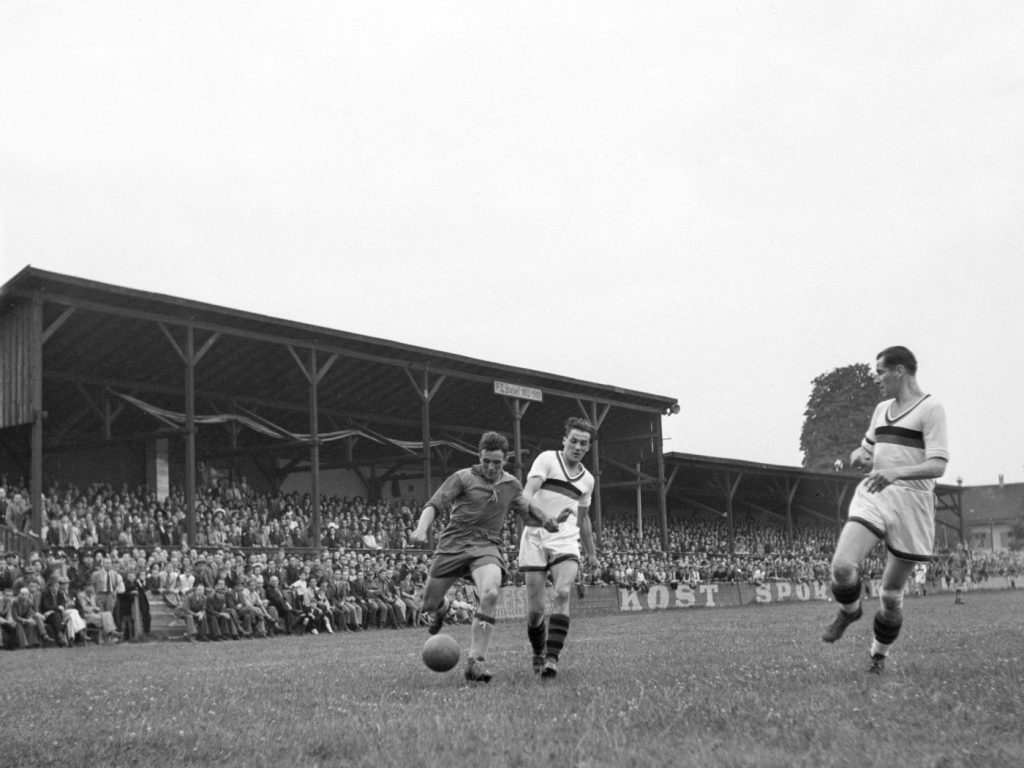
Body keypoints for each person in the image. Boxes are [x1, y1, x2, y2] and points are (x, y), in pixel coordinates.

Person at [821, 346, 948, 674]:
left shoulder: (931, 408)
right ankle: (849, 611)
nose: (877, 379)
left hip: (912, 503)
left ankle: (878, 657)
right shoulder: (881, 410)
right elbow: (869, 449)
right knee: (842, 567)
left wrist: (895, 472)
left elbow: (937, 465)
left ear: (899, 371)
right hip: (876, 493)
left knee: (891, 596)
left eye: (880, 372)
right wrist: (859, 455)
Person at [411, 430, 533, 683]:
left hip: (487, 543)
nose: (490, 467)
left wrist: (552, 522)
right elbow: (434, 504)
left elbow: (528, 514)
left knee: (490, 593)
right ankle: (443, 608)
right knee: (427, 604)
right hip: (454, 542)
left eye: (496, 462)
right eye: (486, 461)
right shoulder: (462, 477)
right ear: (479, 457)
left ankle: (476, 660)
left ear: (506, 460)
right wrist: (421, 529)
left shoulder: (512, 485)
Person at [518, 417, 600, 679]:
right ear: (564, 440)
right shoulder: (547, 460)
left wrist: (591, 552)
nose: (577, 447)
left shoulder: (587, 481)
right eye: (573, 441)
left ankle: (552, 659)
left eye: (583, 443)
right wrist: (545, 518)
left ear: (588, 447)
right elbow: (526, 494)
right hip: (536, 535)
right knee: (535, 611)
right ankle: (538, 651)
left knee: (563, 592)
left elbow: (583, 518)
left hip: (565, 538)